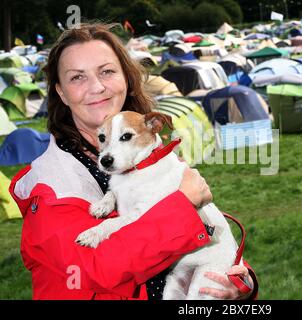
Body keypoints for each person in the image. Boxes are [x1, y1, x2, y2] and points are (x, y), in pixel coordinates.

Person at [9, 23, 258, 300]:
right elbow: (90, 269)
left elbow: (211, 235)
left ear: (125, 79)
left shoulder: (150, 151)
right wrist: (183, 206)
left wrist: (239, 282)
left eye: (107, 71)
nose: (97, 87)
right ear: (61, 92)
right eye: (77, 77)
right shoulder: (50, 186)